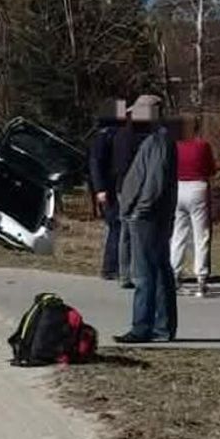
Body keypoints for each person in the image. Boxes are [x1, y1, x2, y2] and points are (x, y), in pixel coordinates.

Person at [114, 95, 178, 344]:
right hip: (150, 214)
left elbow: (155, 181)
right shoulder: (158, 139)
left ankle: (142, 327)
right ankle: (162, 328)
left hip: (148, 217)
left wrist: (140, 209)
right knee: (159, 271)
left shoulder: (160, 140)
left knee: (144, 274)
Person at [110, 97, 156, 288]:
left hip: (123, 186)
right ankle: (137, 273)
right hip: (134, 186)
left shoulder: (122, 133)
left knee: (126, 232)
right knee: (135, 231)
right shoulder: (137, 135)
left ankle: (125, 273)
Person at [172, 116, 216, 297]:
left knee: (178, 234)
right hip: (197, 186)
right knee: (201, 235)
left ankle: (174, 273)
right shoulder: (202, 146)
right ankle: (201, 276)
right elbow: (211, 169)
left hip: (178, 187)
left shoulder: (174, 145)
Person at [88, 99, 125, 281]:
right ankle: (111, 267)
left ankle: (114, 266)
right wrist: (100, 188)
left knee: (117, 225)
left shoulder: (109, 134)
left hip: (113, 185)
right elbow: (96, 162)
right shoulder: (105, 136)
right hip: (109, 186)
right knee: (116, 225)